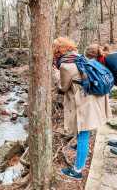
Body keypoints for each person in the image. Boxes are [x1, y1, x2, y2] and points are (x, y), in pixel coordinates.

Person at [53, 37, 112, 179]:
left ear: (58, 50)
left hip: (84, 103)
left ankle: (77, 171)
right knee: (84, 132)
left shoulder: (65, 66)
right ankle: (80, 147)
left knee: (83, 133)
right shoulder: (78, 56)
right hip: (92, 99)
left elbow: (63, 87)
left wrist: (55, 73)